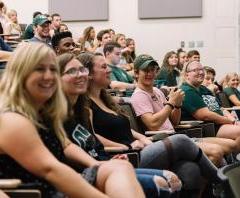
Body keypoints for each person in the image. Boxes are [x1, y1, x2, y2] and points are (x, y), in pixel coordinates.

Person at [0, 42, 145, 198]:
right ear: (20, 73)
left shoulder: (43, 114)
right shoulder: (12, 119)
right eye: (40, 69)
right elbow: (51, 170)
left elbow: (66, 145)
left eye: (53, 69)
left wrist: (96, 164)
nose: (49, 76)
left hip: (55, 187)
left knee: (120, 167)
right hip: (39, 192)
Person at [78, 52, 227, 196]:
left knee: (190, 170)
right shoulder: (86, 105)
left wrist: (176, 106)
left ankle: (221, 186)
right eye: (104, 67)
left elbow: (131, 128)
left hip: (143, 145)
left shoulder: (107, 100)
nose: (109, 69)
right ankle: (225, 181)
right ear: (89, 73)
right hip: (128, 155)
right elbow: (93, 136)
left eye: (153, 70)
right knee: (183, 140)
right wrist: (126, 147)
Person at [58, 53, 181, 197]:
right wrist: (116, 152)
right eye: (72, 71)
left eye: (82, 70)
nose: (81, 75)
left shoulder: (81, 110)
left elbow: (93, 143)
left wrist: (111, 157)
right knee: (164, 177)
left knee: (174, 178)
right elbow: (67, 149)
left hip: (111, 160)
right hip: (95, 168)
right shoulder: (57, 114)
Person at [130, 54, 240, 161]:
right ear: (136, 73)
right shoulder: (139, 95)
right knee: (216, 152)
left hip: (176, 136)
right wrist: (171, 104)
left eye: (153, 70)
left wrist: (177, 106)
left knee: (232, 145)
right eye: (146, 70)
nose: (150, 73)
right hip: (163, 142)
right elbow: (153, 125)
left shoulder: (157, 91)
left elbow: (174, 122)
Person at [179, 61, 240, 152]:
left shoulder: (203, 88)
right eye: (195, 70)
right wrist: (227, 120)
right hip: (207, 127)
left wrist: (231, 118)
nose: (201, 72)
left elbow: (220, 107)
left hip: (219, 123)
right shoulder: (187, 90)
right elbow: (205, 115)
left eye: (201, 70)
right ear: (186, 75)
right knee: (239, 132)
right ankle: (237, 162)